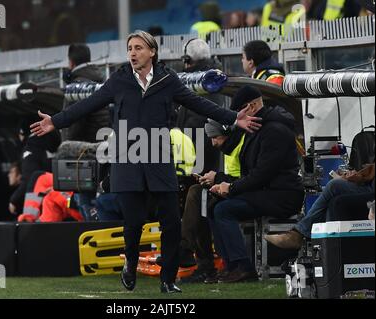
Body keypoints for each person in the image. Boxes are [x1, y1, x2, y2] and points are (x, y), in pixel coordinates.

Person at [30, 30, 261, 293]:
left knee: (172, 222)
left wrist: (233, 118)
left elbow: (199, 104)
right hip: (127, 160)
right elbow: (88, 104)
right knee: (134, 222)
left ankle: (168, 279)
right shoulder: (119, 80)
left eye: (139, 48)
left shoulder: (167, 80)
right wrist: (55, 121)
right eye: (130, 48)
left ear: (152, 52)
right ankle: (130, 261)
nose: (133, 53)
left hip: (159, 159)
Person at [209, 85, 305, 283]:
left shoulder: (274, 131)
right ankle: (231, 265)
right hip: (267, 192)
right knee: (214, 206)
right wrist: (224, 185)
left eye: (239, 112)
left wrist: (232, 188)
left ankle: (243, 267)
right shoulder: (258, 128)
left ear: (251, 107)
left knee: (224, 210)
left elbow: (262, 174)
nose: (237, 118)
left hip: (281, 195)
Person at [179, 119, 245, 284]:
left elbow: (249, 178)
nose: (213, 143)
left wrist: (218, 179)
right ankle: (197, 258)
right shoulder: (230, 146)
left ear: (226, 132)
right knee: (199, 198)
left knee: (203, 202)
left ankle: (189, 252)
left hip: (243, 193)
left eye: (215, 137)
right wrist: (212, 180)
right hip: (232, 190)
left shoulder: (242, 145)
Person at [265, 164, 374, 249]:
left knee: (334, 186)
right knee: (333, 199)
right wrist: (360, 175)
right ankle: (326, 249)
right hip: (369, 185)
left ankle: (300, 235)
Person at [177, 38, 224, 176]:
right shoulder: (211, 79)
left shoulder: (200, 84)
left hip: (197, 158)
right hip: (204, 155)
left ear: (188, 60)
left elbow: (194, 125)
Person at [63, 43, 110, 143]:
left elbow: (73, 125)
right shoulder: (100, 80)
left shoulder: (77, 88)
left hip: (87, 150)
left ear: (71, 63)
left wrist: (66, 148)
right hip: (105, 144)